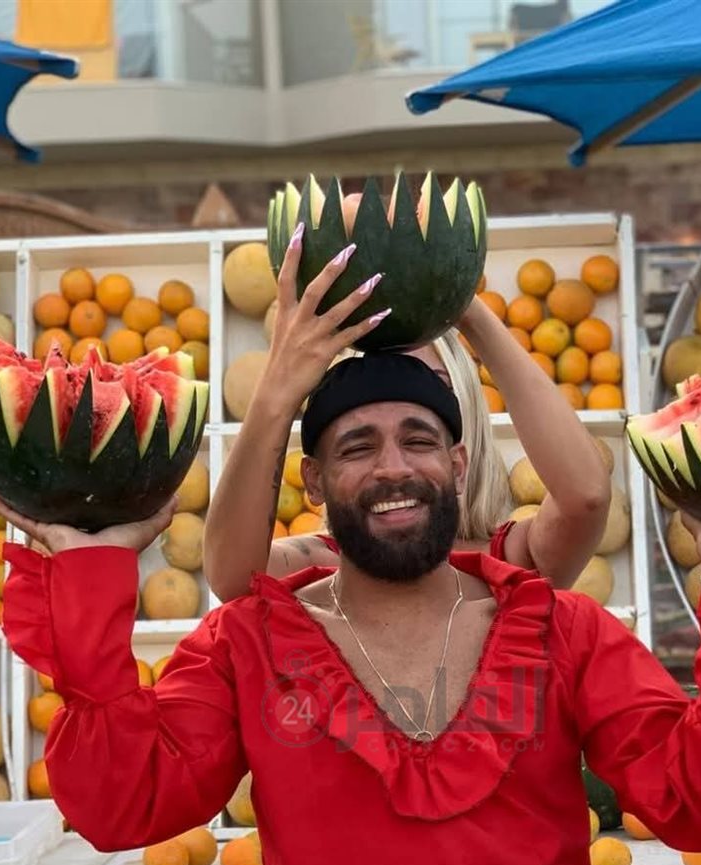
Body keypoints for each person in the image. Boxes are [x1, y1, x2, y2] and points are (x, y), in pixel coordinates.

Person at [0, 233, 701, 865]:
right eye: (357, 447)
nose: (394, 467)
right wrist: (92, 574)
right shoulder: (248, 645)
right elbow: (122, 807)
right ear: (314, 481)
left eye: (419, 440)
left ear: (459, 464)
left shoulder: (563, 631)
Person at [203, 240, 613, 601]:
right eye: (366, 421)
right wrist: (277, 391)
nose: (393, 463)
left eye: (430, 391)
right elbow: (231, 577)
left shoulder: (513, 562)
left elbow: (586, 498)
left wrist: (462, 301)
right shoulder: (319, 564)